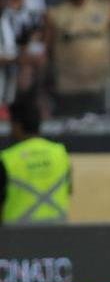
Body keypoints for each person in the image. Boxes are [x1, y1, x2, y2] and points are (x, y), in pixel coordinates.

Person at [0, 96, 71, 224]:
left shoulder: (6, 159)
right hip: (58, 234)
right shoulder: (60, 153)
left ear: (17, 126)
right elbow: (68, 191)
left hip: (16, 235)